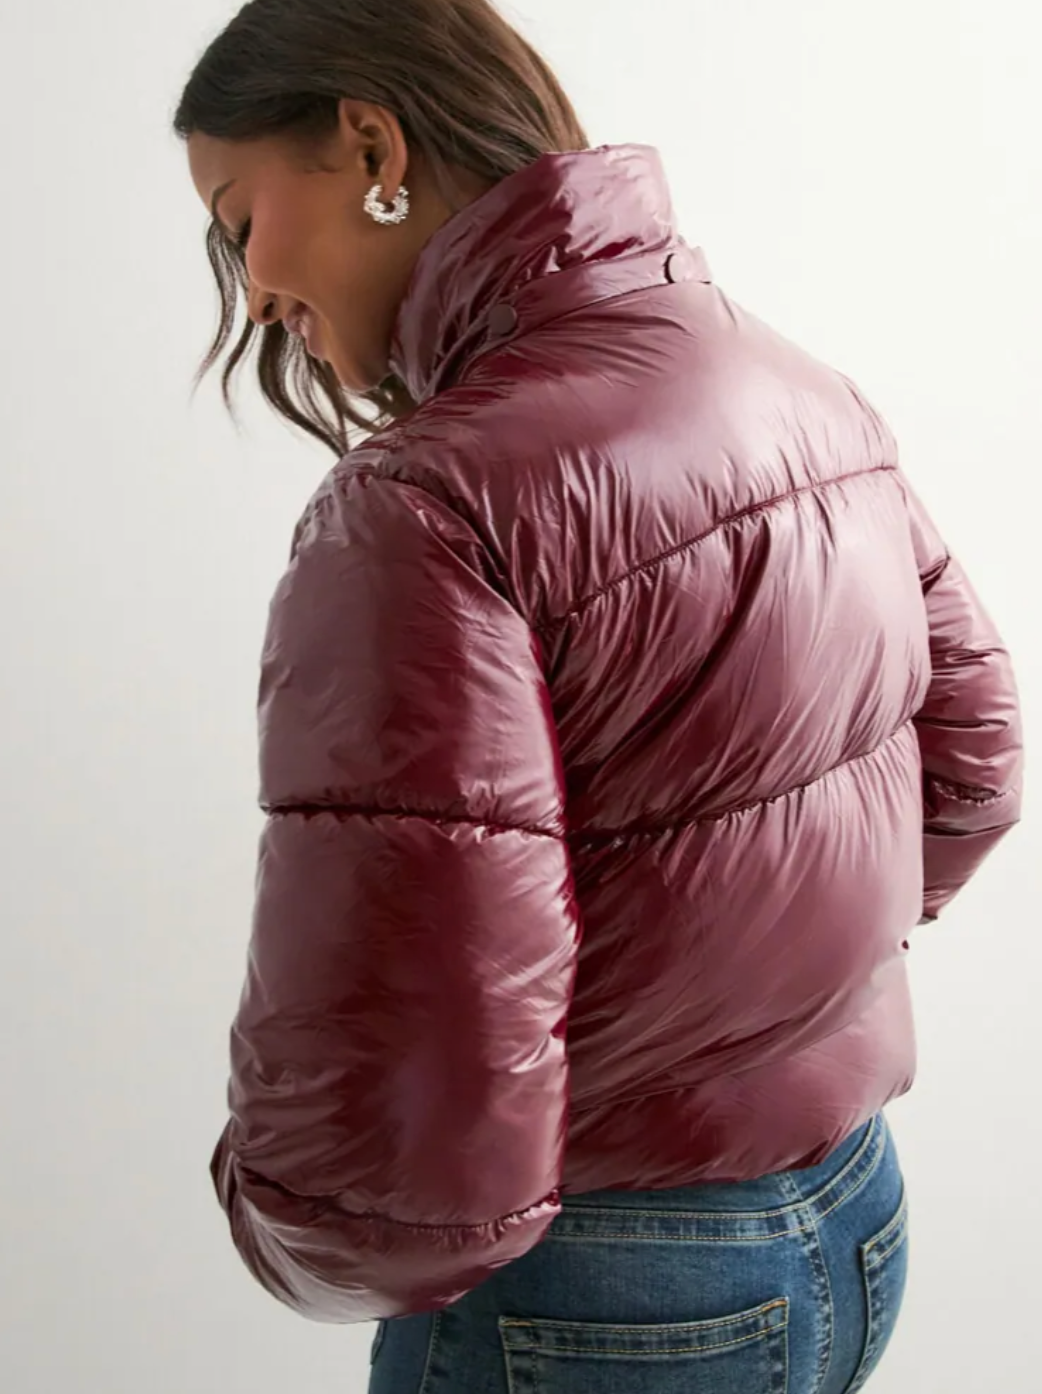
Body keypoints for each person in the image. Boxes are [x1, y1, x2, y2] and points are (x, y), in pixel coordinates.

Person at [175, 2, 1024, 1390]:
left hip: (604, 1288)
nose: (252, 290)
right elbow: (972, 764)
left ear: (372, 145)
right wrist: (747, 1002)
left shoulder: (428, 502)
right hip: (851, 1217)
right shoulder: (795, 385)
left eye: (238, 218)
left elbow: (411, 1034)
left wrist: (310, 1242)